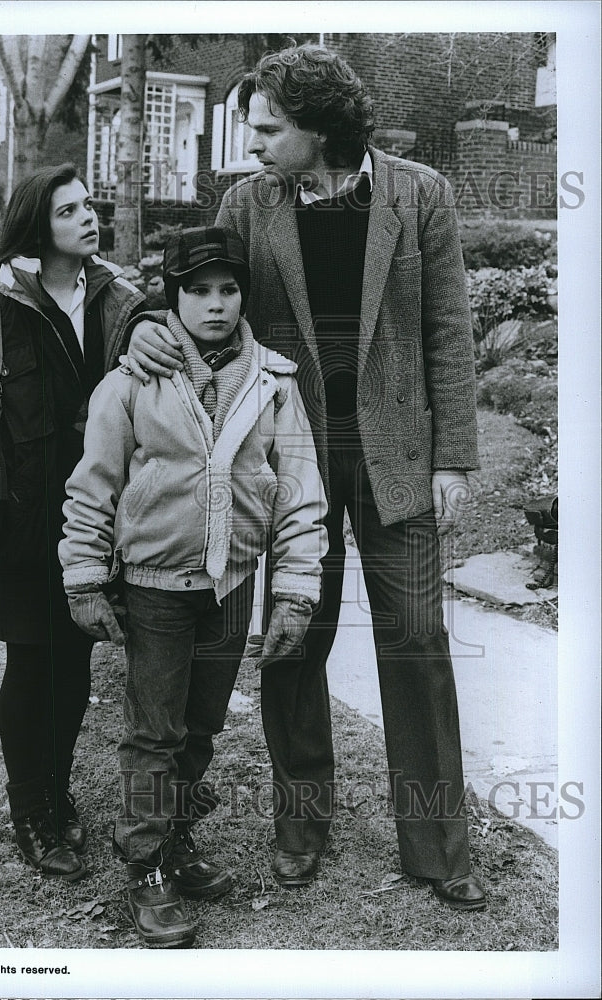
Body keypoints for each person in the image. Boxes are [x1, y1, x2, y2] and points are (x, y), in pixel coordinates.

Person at [127, 44, 487, 911]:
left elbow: (447, 331)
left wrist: (453, 460)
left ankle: (438, 847)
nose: (249, 143)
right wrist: (143, 322)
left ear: (318, 128)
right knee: (293, 641)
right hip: (291, 464)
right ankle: (301, 827)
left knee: (416, 646)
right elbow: (188, 289)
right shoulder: (247, 203)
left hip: (396, 459)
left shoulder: (419, 193)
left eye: (266, 128)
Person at [58, 226, 327, 948]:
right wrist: (84, 576)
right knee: (154, 730)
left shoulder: (273, 382)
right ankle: (144, 865)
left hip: (230, 584)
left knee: (201, 726)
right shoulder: (130, 379)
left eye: (228, 290)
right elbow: (93, 485)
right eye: (197, 290)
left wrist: (295, 591)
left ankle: (174, 838)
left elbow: (299, 494)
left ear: (243, 296)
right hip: (152, 585)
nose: (214, 305)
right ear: (171, 297)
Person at [0, 163, 144, 883]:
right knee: (33, 665)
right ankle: (31, 810)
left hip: (104, 523)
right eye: (69, 210)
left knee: (72, 669)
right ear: (37, 226)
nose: (89, 217)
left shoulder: (122, 305)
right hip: (28, 527)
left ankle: (55, 787)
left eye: (90, 206)